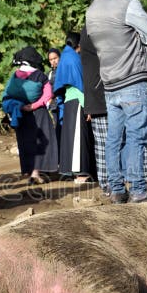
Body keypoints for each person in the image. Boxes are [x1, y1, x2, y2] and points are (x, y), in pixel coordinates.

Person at [85, 0, 147, 204]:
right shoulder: (127, 2)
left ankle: (116, 189)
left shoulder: (91, 10)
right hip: (133, 79)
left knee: (113, 137)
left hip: (110, 83)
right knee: (137, 136)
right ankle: (138, 189)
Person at [1, 47, 58, 184]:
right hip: (38, 113)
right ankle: (36, 173)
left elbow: (8, 92)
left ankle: (28, 171)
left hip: (20, 113)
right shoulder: (40, 75)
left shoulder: (16, 75)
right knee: (41, 142)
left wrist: (21, 106)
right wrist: (34, 105)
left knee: (25, 142)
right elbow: (48, 94)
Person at [54, 32, 93, 182]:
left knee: (71, 137)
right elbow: (79, 84)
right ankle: (81, 173)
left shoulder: (65, 55)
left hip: (70, 101)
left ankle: (72, 171)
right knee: (79, 138)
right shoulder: (73, 58)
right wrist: (87, 106)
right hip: (77, 100)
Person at [80, 27, 109, 195]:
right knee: (108, 144)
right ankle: (110, 183)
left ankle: (107, 183)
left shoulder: (87, 31)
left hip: (95, 99)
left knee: (103, 145)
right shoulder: (96, 31)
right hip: (101, 99)